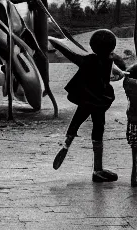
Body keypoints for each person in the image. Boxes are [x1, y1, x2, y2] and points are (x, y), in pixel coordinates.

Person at [53, 29, 126, 182]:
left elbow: (71, 55)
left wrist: (56, 43)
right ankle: (97, 169)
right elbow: (117, 67)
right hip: (100, 101)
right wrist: (120, 73)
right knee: (98, 129)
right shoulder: (109, 59)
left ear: (94, 45)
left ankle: (67, 145)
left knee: (77, 122)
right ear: (111, 46)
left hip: (87, 100)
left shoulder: (89, 60)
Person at [123, 62, 137, 187]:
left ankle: (134, 176)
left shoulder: (130, 86)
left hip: (134, 124)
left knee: (135, 152)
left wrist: (125, 74)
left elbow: (126, 78)